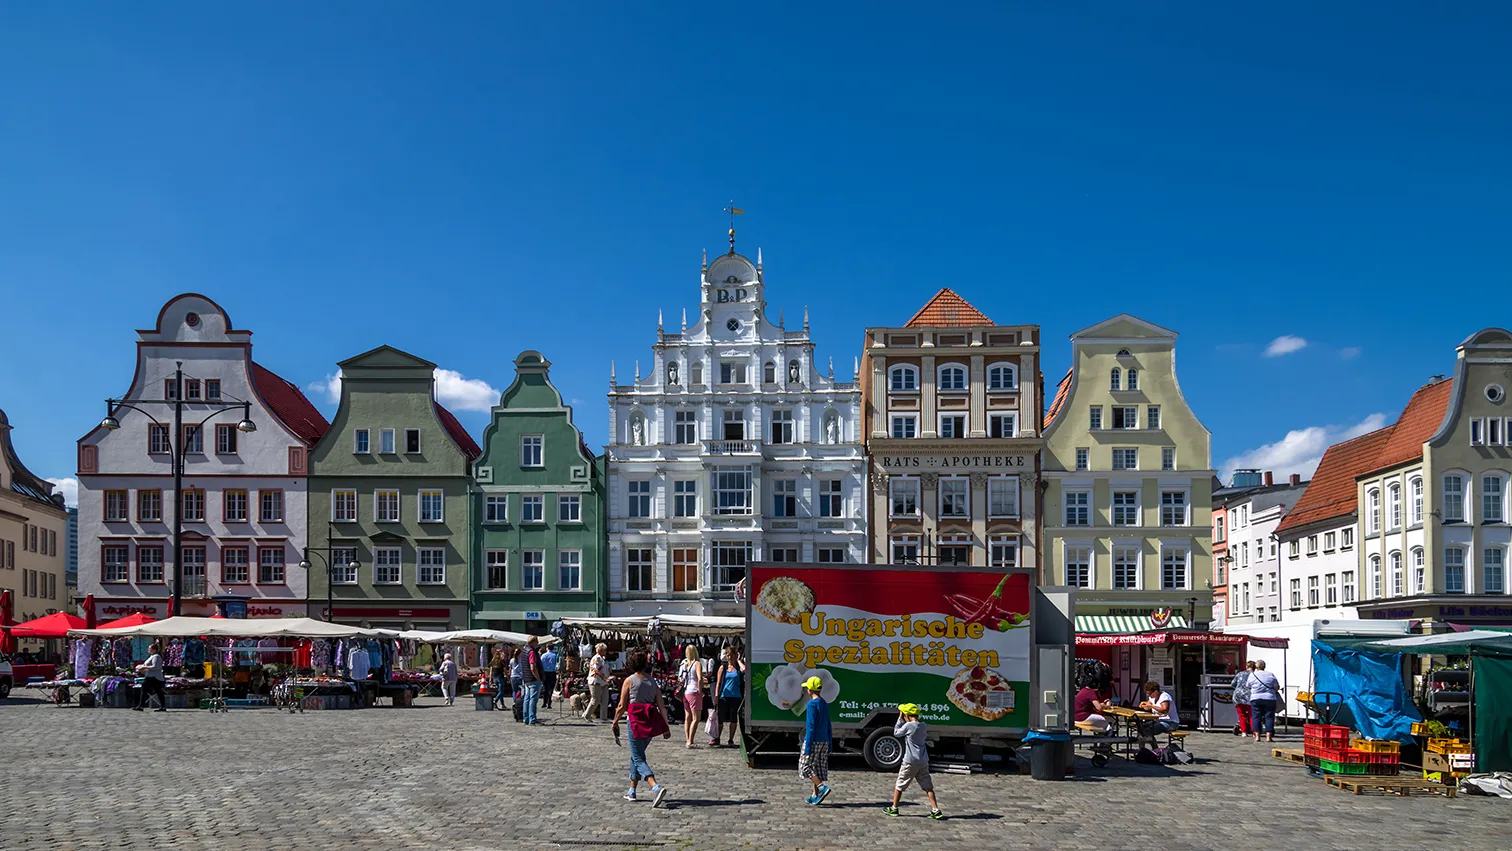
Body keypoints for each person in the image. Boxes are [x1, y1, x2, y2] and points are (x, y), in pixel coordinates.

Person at [611, 650, 671, 807]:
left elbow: (622, 705)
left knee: (638, 757)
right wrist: (665, 726)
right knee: (636, 754)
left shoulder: (629, 681)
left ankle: (655, 786)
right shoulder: (653, 682)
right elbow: (662, 706)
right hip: (650, 722)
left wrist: (615, 721)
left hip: (635, 722)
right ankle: (632, 791)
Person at [883, 703, 941, 819]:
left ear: (907, 715)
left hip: (910, 761)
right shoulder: (923, 725)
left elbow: (896, 733)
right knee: (928, 786)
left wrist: (900, 719)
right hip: (923, 760)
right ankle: (935, 809)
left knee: (900, 785)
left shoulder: (909, 726)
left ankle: (894, 808)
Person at [799, 676, 833, 805]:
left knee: (805, 766)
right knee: (817, 767)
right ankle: (815, 795)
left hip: (813, 740)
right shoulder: (824, 703)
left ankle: (821, 787)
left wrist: (807, 746)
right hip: (824, 740)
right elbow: (828, 723)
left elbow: (810, 726)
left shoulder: (811, 705)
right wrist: (829, 742)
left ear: (809, 690)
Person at [712, 646, 747, 747]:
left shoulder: (738, 669)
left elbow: (744, 669)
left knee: (733, 719)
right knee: (720, 719)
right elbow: (718, 683)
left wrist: (738, 661)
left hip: (735, 697)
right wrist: (716, 696)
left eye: (731, 656)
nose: (729, 658)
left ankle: (731, 739)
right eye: (728, 656)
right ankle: (717, 737)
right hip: (724, 696)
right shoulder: (723, 668)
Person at [1247, 659, 1283, 743]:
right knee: (1269, 717)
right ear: (1264, 666)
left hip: (1255, 698)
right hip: (1269, 698)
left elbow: (1248, 686)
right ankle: (1268, 736)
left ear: (1256, 666)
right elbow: (1277, 687)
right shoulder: (1270, 675)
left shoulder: (1252, 675)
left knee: (1256, 717)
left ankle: (1257, 736)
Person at [677, 646, 704, 748]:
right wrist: (700, 692)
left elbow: (680, 678)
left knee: (687, 717)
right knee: (696, 718)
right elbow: (700, 679)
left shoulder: (684, 664)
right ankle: (690, 741)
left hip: (686, 691)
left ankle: (687, 739)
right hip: (694, 691)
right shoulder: (697, 664)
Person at [133, 642, 167, 712]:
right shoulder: (151, 656)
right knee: (157, 691)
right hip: (150, 676)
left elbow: (155, 667)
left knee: (146, 690)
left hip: (154, 677)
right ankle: (162, 706)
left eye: (150, 648)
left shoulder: (156, 656)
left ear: (154, 650)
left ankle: (141, 706)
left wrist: (143, 667)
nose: (148, 650)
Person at [583, 643, 612, 722]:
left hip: (604, 682)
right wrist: (604, 678)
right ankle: (587, 715)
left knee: (605, 700)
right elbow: (596, 670)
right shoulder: (596, 658)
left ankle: (604, 717)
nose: (606, 652)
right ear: (600, 650)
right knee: (595, 700)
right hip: (596, 681)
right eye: (604, 650)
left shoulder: (603, 659)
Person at [520, 637, 544, 725]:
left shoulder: (524, 651)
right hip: (533, 679)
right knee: (533, 700)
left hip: (526, 678)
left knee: (527, 699)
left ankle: (525, 718)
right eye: (537, 642)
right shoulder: (531, 652)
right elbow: (533, 667)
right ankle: (532, 719)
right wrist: (538, 678)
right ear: (533, 642)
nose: (537, 644)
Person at [1232, 661, 1255, 737]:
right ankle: (1254, 732)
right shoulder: (1255, 675)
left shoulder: (1240, 674)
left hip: (1238, 696)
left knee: (1242, 715)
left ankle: (1243, 732)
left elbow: (1233, 684)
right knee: (1252, 715)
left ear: (1246, 667)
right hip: (1250, 696)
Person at [540, 644, 560, 709]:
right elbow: (557, 665)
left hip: (545, 672)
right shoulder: (555, 655)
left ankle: (544, 703)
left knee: (545, 688)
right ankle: (549, 703)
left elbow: (541, 664)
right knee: (551, 688)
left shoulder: (543, 655)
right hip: (552, 672)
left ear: (547, 648)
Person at [509, 646, 525, 722]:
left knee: (514, 691)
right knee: (520, 691)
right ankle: (519, 702)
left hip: (513, 676)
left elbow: (510, 669)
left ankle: (515, 701)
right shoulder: (521, 660)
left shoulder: (512, 660)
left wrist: (509, 676)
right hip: (520, 676)